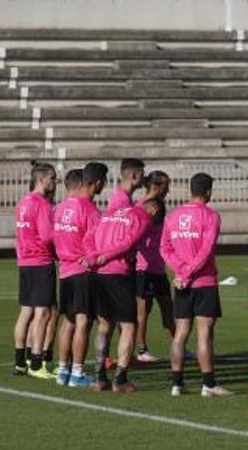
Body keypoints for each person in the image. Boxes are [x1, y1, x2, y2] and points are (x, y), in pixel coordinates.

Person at [162, 172, 229, 397]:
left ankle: (176, 384)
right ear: (209, 192)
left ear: (190, 190)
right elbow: (206, 250)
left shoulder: (173, 216)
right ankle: (208, 384)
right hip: (203, 281)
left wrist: (180, 272)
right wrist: (188, 272)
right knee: (204, 334)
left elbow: (165, 249)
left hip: (182, 283)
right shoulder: (211, 216)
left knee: (180, 334)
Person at [91, 198, 158, 392]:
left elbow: (89, 236)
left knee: (104, 325)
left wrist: (93, 256)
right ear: (153, 210)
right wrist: (108, 255)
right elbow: (128, 242)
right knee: (129, 326)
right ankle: (120, 379)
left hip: (99, 273)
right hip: (119, 273)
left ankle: (99, 377)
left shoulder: (108, 213)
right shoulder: (142, 217)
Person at [52, 168, 102, 388]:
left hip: (64, 270)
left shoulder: (60, 207)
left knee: (69, 321)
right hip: (82, 271)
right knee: (84, 321)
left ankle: (63, 371)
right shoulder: (90, 210)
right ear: (94, 183)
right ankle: (77, 373)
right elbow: (97, 243)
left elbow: (53, 238)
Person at [13, 162, 58, 379]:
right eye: (53, 178)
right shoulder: (42, 204)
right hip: (40, 261)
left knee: (26, 312)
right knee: (44, 312)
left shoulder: (23, 202)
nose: (55, 182)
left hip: (24, 262)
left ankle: (21, 362)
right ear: (41, 179)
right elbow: (48, 236)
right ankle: (37, 362)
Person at [134, 171, 172, 363]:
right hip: (143, 267)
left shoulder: (159, 206)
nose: (168, 190)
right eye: (166, 185)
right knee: (143, 311)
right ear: (156, 187)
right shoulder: (142, 207)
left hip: (158, 268)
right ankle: (142, 350)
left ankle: (178, 347)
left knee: (168, 308)